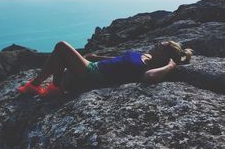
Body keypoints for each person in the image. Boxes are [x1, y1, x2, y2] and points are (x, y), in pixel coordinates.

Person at [18, 40, 194, 97]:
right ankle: (47, 86)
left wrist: (171, 66)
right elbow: (120, 60)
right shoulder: (146, 56)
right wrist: (96, 57)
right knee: (61, 56)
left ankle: (46, 86)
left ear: (165, 55)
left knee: (62, 47)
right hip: (95, 66)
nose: (156, 45)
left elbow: (150, 77)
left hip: (95, 76)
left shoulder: (153, 66)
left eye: (160, 46)